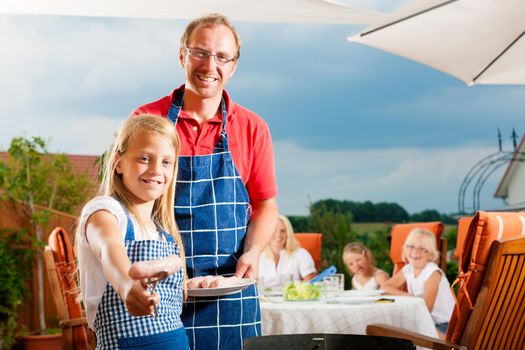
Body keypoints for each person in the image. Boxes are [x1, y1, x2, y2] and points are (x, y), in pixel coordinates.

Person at [130, 13, 279, 349]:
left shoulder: (253, 128)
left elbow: (266, 205)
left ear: (234, 65)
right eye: (200, 52)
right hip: (161, 288)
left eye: (222, 56)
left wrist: (254, 252)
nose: (210, 65)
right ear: (183, 55)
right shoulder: (146, 120)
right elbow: (126, 205)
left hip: (230, 294)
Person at [76, 115, 189, 349]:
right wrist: (127, 284)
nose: (156, 170)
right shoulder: (106, 211)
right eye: (145, 158)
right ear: (119, 162)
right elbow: (109, 249)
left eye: (166, 162)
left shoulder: (162, 232)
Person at [382, 228, 455, 338]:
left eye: (422, 248)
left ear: (430, 254)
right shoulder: (408, 269)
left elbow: (425, 309)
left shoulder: (432, 272)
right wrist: (409, 296)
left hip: (445, 327)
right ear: (405, 249)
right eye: (411, 246)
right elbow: (385, 287)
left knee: (396, 333)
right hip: (426, 322)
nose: (416, 252)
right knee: (391, 330)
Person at [258, 215, 317, 288]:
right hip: (263, 298)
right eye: (274, 230)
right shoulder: (257, 255)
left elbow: (312, 283)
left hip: (291, 298)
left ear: (288, 234)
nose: (278, 235)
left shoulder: (301, 254)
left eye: (283, 231)